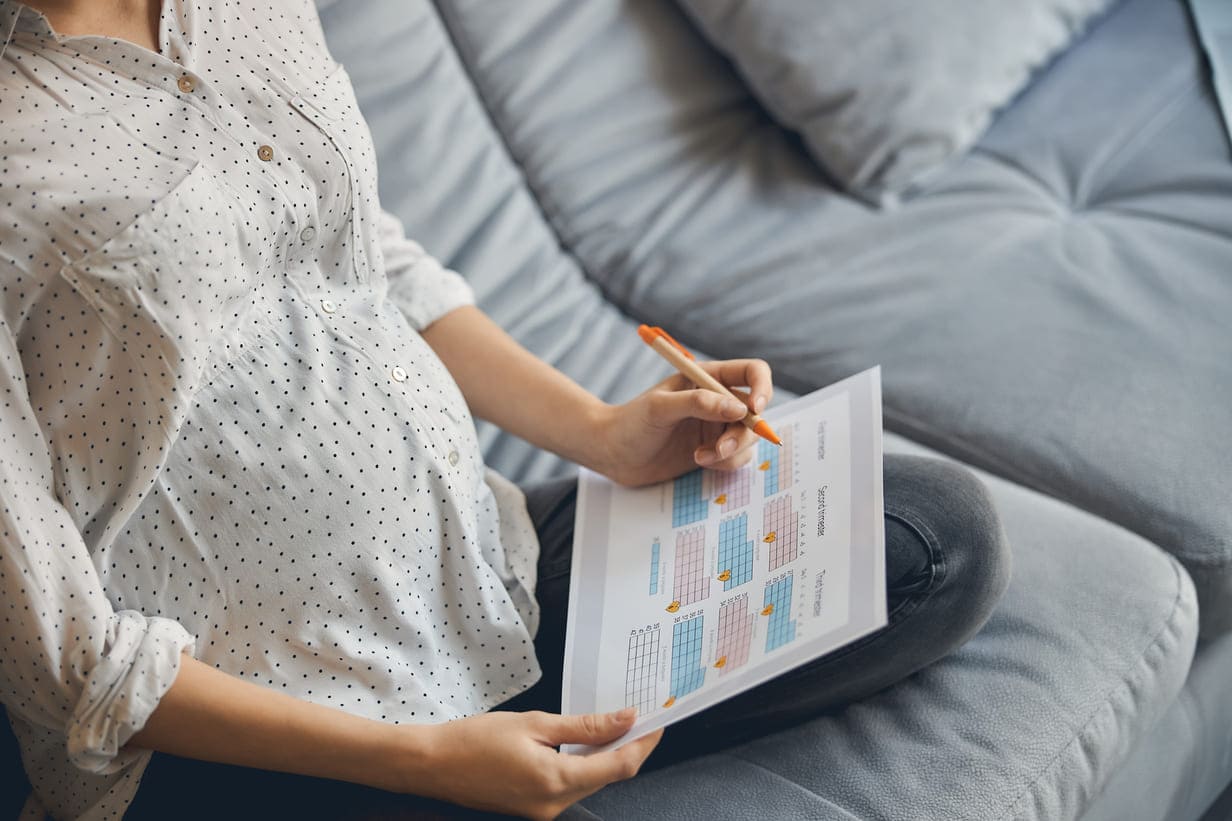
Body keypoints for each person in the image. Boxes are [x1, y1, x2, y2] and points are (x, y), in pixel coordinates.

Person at [0, 1, 1011, 819]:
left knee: (928, 537)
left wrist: (603, 432)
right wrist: (418, 761)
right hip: (281, 720)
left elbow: (365, 261)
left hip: (488, 567)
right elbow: (67, 657)